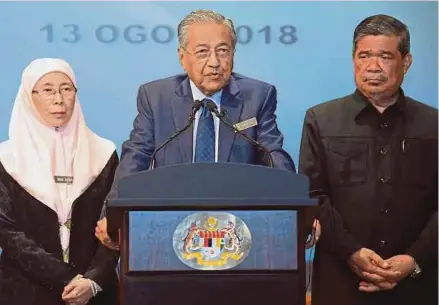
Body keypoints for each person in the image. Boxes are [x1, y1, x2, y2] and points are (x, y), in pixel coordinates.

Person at [95, 9, 302, 248]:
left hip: (238, 229)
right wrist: (112, 212)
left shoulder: (258, 96)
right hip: (169, 226)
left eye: (223, 51)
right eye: (203, 52)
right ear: (182, 57)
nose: (214, 62)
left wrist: (296, 205)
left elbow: (273, 153)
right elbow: (136, 156)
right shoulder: (156, 97)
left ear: (233, 54)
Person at [299, 14, 438, 305]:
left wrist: (412, 259)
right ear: (354, 60)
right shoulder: (321, 120)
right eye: (364, 56)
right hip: (341, 282)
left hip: (417, 284)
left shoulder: (433, 124)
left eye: (385, 56)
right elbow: (313, 195)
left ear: (406, 61)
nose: (373, 67)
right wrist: (351, 252)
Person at [0, 58, 120, 305]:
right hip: (25, 291)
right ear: (28, 96)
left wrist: (94, 280)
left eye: (66, 89)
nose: (59, 99)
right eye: (47, 90)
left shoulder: (104, 153)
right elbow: (7, 232)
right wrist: (65, 279)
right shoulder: (6, 159)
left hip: (94, 293)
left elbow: (115, 223)